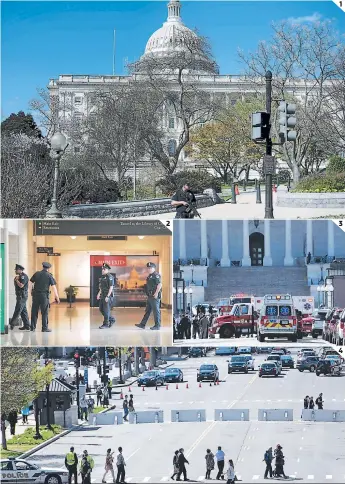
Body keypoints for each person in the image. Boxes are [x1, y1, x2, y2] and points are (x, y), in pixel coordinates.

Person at [30, 262, 60, 332]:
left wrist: (31, 291)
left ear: (42, 267)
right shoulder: (49, 276)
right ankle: (44, 328)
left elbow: (30, 282)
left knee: (34, 311)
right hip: (44, 296)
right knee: (44, 312)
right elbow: (54, 287)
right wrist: (57, 297)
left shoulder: (36, 273)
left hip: (36, 295)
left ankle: (32, 327)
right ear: (48, 268)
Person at [135, 262, 162, 331]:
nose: (149, 269)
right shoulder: (150, 276)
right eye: (148, 268)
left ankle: (157, 325)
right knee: (148, 311)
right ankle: (142, 324)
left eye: (150, 268)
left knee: (156, 311)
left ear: (154, 268)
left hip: (154, 296)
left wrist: (156, 293)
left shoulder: (156, 275)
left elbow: (159, 285)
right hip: (150, 296)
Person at [10, 264, 30, 331]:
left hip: (22, 296)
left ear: (20, 270)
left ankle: (12, 324)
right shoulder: (20, 276)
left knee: (18, 310)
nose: (15, 271)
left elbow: (21, 286)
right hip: (20, 296)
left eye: (16, 270)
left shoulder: (23, 277)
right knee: (23, 311)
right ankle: (27, 325)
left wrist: (16, 280)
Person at [97, 263, 116, 329]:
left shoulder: (110, 277)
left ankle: (106, 324)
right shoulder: (102, 277)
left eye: (104, 269)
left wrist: (107, 296)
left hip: (108, 296)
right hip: (103, 295)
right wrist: (99, 293)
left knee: (106, 310)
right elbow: (101, 287)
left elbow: (111, 287)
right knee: (101, 309)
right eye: (102, 269)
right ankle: (112, 319)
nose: (102, 270)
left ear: (107, 270)